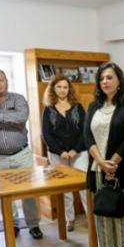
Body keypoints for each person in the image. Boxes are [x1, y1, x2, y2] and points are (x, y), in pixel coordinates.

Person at [0, 67, 45, 239]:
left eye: (1, 80)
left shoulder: (18, 98)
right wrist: (10, 119)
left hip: (21, 154)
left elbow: (21, 118)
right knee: (5, 194)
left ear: (6, 81)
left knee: (29, 191)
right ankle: (12, 224)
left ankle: (33, 225)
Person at [85, 62, 124, 247]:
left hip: (123, 170)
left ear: (119, 81)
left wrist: (113, 162)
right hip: (97, 170)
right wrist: (100, 161)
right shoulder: (93, 107)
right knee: (103, 215)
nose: (105, 82)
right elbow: (87, 136)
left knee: (123, 217)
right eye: (102, 78)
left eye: (109, 77)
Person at [41, 74, 88, 232]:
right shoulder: (48, 109)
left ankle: (91, 217)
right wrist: (60, 151)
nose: (62, 90)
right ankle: (70, 219)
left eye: (65, 87)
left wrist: (75, 149)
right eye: (59, 87)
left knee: (84, 186)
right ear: (53, 89)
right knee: (65, 189)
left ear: (69, 89)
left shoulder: (78, 107)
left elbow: (85, 130)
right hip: (57, 154)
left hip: (79, 152)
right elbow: (46, 134)